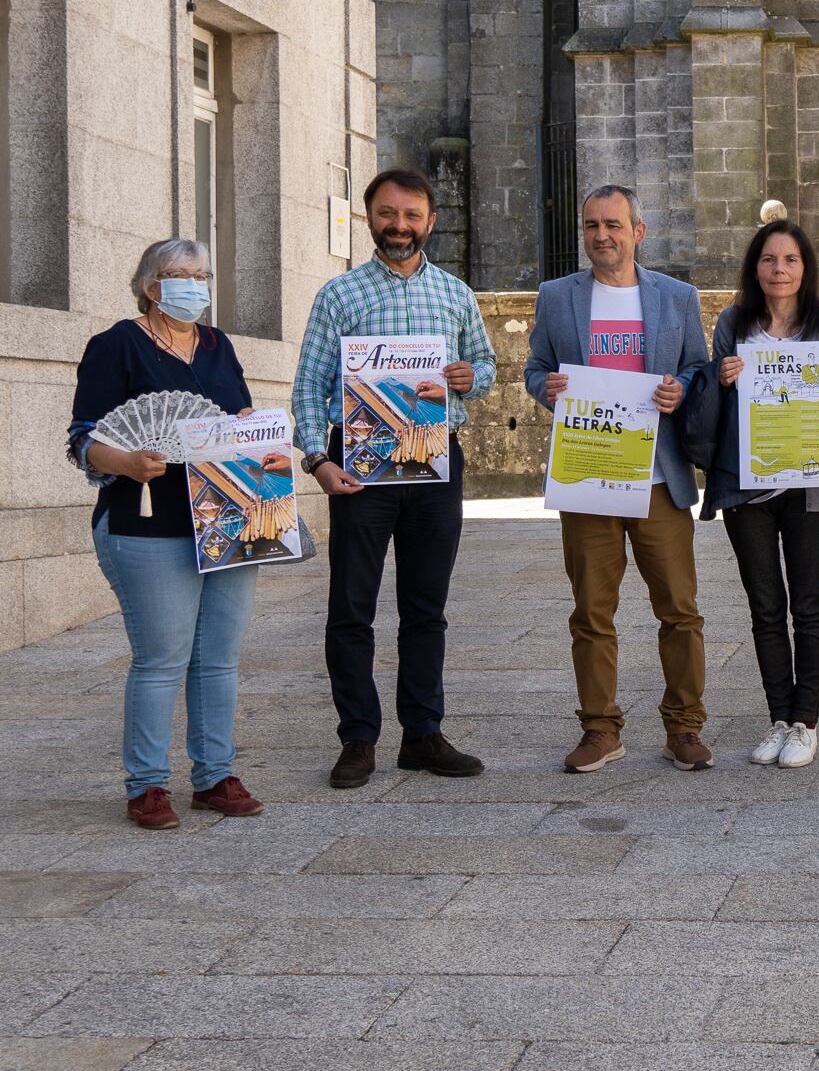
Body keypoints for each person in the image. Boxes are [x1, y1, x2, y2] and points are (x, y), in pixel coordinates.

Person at [292, 167, 497, 790]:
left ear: (430, 221)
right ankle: (357, 737)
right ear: (369, 217)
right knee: (351, 608)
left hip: (435, 463)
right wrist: (316, 460)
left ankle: (422, 733)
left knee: (425, 608)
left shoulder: (457, 295)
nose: (399, 226)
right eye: (388, 214)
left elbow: (484, 366)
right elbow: (307, 388)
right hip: (358, 466)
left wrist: (468, 378)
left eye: (412, 215)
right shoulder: (339, 296)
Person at [68, 240, 275, 829]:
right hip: (146, 523)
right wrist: (126, 462)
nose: (194, 284)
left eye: (202, 275)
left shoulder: (219, 346)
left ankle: (214, 775)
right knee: (161, 657)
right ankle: (147, 785)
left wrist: (249, 433)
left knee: (219, 659)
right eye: (180, 274)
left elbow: (239, 421)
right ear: (151, 285)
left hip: (228, 519)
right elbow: (83, 438)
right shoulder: (116, 345)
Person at [526, 184, 715, 772]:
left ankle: (684, 727)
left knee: (679, 609)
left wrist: (681, 387)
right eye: (590, 226)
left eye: (612, 224)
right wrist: (546, 390)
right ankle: (600, 729)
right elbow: (535, 368)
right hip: (588, 472)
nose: (600, 236)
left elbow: (698, 368)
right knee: (591, 611)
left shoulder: (676, 296)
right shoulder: (557, 297)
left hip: (658, 476)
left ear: (639, 232)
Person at [700, 219, 819, 769]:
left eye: (790, 260)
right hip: (749, 487)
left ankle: (806, 721)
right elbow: (712, 409)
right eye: (769, 260)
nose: (780, 270)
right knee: (765, 606)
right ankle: (777, 717)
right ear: (755, 268)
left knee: (809, 602)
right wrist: (722, 380)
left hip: (811, 485)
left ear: (805, 268)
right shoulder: (732, 324)